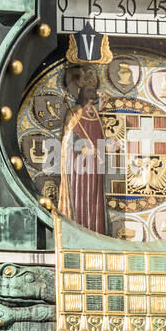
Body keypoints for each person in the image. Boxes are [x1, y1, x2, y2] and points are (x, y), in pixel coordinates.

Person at [57, 84, 106, 234]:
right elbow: (68, 137)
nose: (93, 94)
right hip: (78, 165)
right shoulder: (75, 112)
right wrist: (84, 149)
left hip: (95, 166)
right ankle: (78, 227)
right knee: (80, 194)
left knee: (94, 198)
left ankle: (96, 231)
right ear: (82, 94)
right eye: (89, 91)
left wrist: (109, 146)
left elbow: (100, 139)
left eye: (94, 91)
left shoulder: (96, 114)